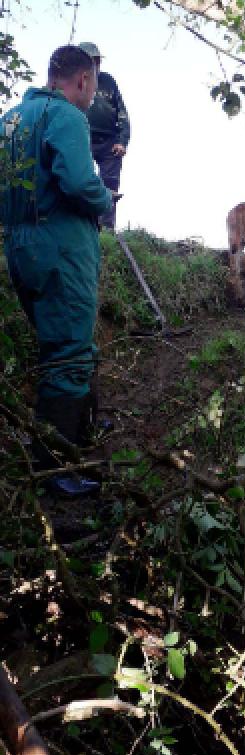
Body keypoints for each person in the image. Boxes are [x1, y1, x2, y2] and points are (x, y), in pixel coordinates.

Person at [1, 45, 115, 497]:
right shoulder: (67, 115)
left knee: (58, 346)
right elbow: (76, 181)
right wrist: (104, 198)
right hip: (61, 248)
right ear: (84, 80)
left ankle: (78, 431)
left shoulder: (10, 119)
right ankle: (54, 474)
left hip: (19, 247)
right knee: (69, 351)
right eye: (92, 88)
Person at [78, 42, 129, 230]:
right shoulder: (74, 81)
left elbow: (122, 113)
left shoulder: (108, 81)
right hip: (83, 138)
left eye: (97, 61)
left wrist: (122, 140)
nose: (96, 65)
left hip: (109, 142)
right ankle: (83, 224)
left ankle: (107, 228)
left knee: (110, 184)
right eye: (92, 61)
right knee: (81, 180)